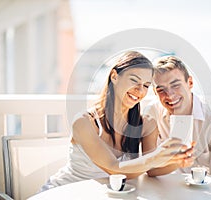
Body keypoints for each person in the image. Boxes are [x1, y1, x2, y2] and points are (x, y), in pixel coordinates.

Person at [40, 51, 194, 191]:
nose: (140, 91)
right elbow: (114, 168)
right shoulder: (85, 122)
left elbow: (151, 170)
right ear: (114, 76)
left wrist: (176, 160)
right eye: (134, 80)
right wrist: (156, 157)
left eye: (146, 85)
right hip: (65, 192)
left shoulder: (146, 124)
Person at [144, 55, 211, 177]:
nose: (169, 95)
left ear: (190, 83)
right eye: (161, 89)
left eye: (175, 85)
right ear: (155, 92)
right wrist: (175, 162)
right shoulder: (152, 113)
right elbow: (151, 169)